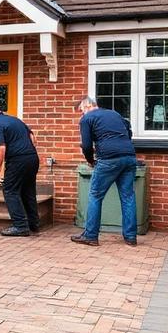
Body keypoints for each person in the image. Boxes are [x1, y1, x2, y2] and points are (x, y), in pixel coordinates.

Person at [71, 96, 138, 247]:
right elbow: (128, 130)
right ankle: (130, 237)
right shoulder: (114, 114)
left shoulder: (87, 119)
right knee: (128, 197)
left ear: (87, 106)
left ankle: (91, 236)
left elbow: (87, 145)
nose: (81, 115)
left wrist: (90, 161)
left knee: (95, 195)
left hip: (108, 159)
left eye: (81, 111)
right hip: (129, 156)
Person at [0, 103, 40, 237]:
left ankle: (20, 226)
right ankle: (33, 224)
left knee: (10, 190)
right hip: (32, 158)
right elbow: (32, 138)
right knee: (28, 191)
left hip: (18, 160)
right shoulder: (15, 120)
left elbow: (0, 150)